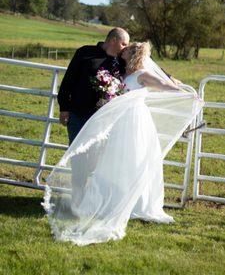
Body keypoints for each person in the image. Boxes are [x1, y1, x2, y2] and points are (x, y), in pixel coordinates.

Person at [43, 42, 204, 246]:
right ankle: (110, 198)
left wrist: (186, 93)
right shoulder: (125, 72)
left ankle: (138, 203)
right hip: (121, 121)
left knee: (134, 160)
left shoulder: (143, 74)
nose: (123, 50)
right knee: (115, 160)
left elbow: (164, 86)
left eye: (127, 49)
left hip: (135, 120)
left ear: (134, 54)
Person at [57, 27, 130, 144]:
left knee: (96, 157)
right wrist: (64, 108)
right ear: (113, 40)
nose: (126, 48)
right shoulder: (85, 52)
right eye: (123, 44)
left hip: (103, 119)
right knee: (76, 154)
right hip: (77, 114)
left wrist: (167, 77)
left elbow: (143, 64)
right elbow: (68, 80)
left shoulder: (122, 62)